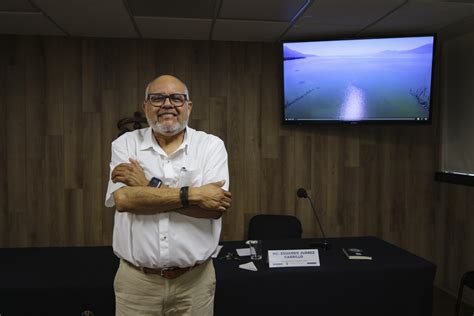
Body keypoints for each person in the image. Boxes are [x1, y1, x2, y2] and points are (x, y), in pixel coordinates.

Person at [105, 74, 232, 315]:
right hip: (137, 283)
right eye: (157, 98)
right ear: (145, 106)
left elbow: (214, 208)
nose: (167, 104)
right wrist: (194, 195)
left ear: (188, 106)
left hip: (195, 283)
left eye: (176, 98)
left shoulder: (211, 146)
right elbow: (124, 200)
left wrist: (147, 186)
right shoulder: (125, 145)